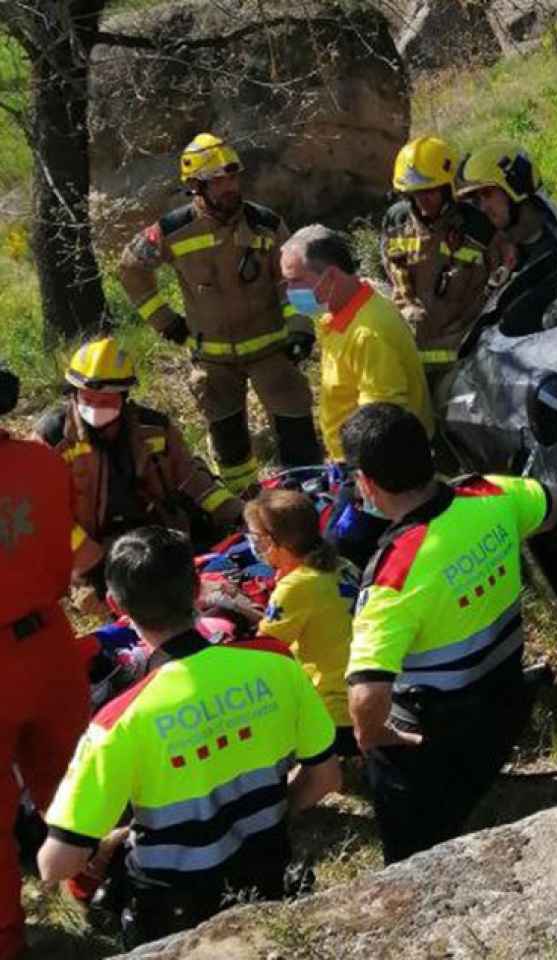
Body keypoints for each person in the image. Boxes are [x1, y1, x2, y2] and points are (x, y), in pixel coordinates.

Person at [37, 527, 340, 948]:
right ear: (198, 589)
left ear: (114, 605)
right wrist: (267, 814)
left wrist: (112, 841)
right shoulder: (276, 666)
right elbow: (325, 777)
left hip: (172, 906)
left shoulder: (116, 722)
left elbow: (56, 863)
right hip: (268, 868)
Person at [340, 403, 557, 862]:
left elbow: (367, 695)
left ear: (366, 483)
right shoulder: (489, 494)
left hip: (437, 734)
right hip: (503, 701)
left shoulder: (394, 575)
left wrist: (374, 738)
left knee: (410, 846)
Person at [117, 132, 321, 494]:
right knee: (230, 447)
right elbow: (131, 268)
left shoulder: (267, 225)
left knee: (297, 430)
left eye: (232, 177)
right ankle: (245, 509)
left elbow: (293, 280)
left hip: (271, 352)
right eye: (217, 181)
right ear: (196, 187)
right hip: (213, 362)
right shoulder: (172, 231)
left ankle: (311, 497)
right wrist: (164, 321)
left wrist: (300, 327)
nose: (229, 187)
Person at [36, 337, 243, 610]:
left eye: (106, 400)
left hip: (155, 535)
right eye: (87, 398)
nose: (95, 408)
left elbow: (192, 477)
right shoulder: (53, 438)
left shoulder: (154, 428)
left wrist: (237, 512)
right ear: (73, 393)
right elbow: (48, 513)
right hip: (93, 549)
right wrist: (92, 567)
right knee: (104, 604)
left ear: (124, 396)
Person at [0, 362, 88, 960]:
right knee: (78, 782)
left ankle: (7, 940)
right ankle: (98, 883)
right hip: (50, 641)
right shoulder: (43, 464)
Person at [278, 224, 433, 463]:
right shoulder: (336, 311)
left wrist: (358, 475)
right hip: (353, 460)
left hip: (379, 466)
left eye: (296, 281)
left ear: (330, 276)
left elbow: (380, 424)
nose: (290, 291)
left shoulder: (369, 334)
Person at [381, 135, 513, 397]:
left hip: (464, 360)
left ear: (448, 186)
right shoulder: (396, 222)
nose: (422, 202)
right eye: (415, 194)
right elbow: (393, 273)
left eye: (430, 191)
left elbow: (500, 288)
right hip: (409, 356)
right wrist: (407, 308)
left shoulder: (479, 227)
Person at [243, 490, 360, 757]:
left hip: (336, 713)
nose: (255, 545)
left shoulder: (296, 586)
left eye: (258, 538)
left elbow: (263, 651)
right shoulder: (341, 564)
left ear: (275, 542)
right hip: (367, 695)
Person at [455, 142, 557, 335]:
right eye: (478, 199)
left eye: (487, 194)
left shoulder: (549, 264)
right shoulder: (520, 239)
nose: (483, 207)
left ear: (515, 185)